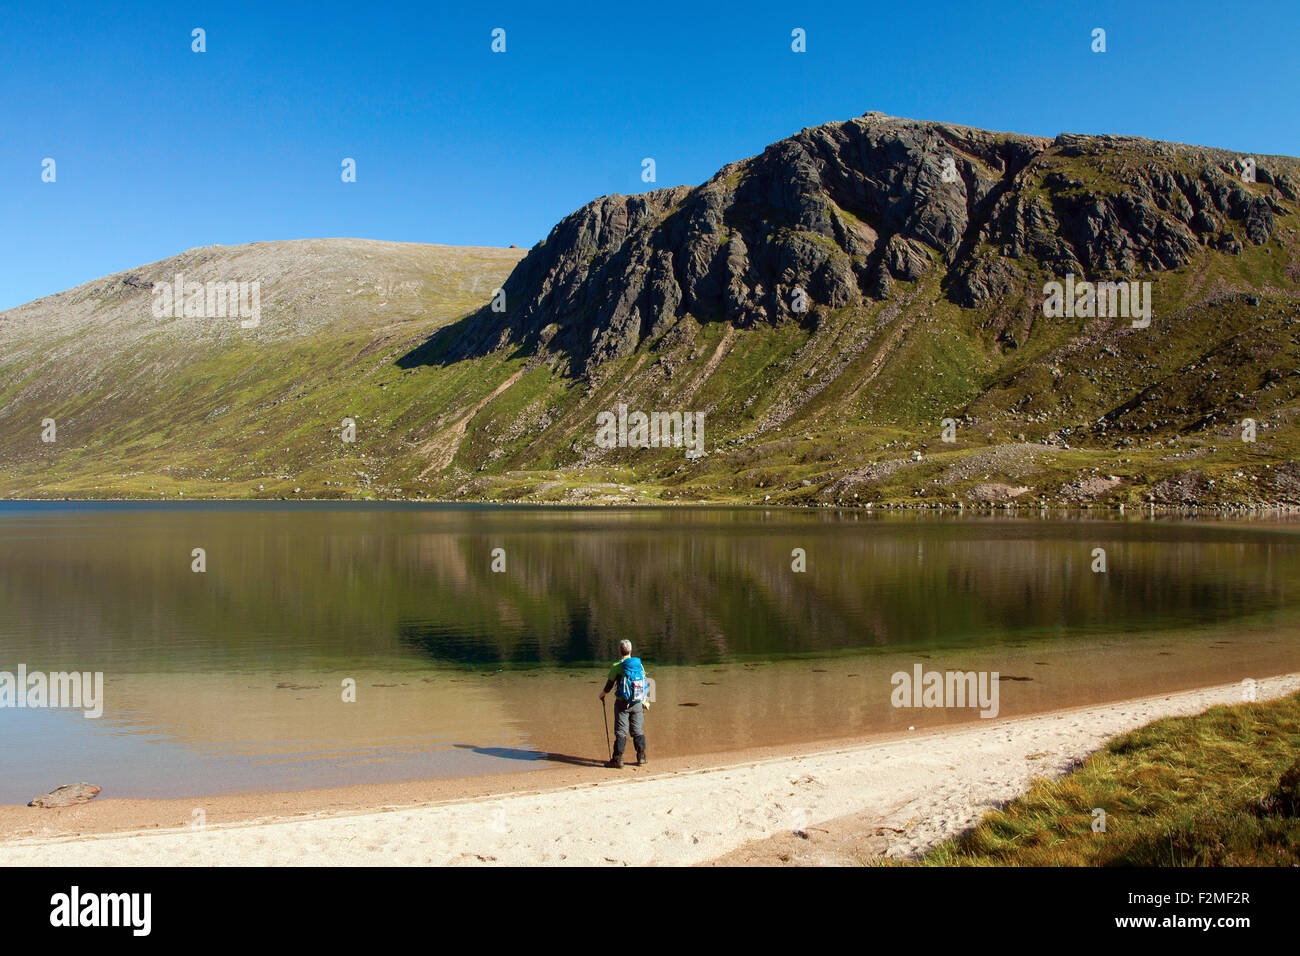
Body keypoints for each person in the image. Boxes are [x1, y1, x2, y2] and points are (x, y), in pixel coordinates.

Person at [599, 640, 648, 768]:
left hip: (622, 703)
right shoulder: (639, 665)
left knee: (621, 732)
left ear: (620, 651)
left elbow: (609, 685)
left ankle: (618, 760)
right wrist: (645, 700)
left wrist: (602, 694)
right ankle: (641, 757)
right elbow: (644, 683)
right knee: (637, 730)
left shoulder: (617, 666)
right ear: (631, 651)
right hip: (637, 702)